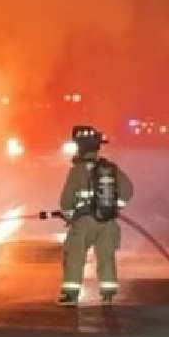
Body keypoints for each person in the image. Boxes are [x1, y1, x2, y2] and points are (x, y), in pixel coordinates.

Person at [57, 125, 134, 306]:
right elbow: (128, 190)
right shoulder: (110, 168)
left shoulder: (77, 170)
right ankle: (107, 295)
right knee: (106, 257)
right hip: (108, 222)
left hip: (84, 222)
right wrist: (114, 208)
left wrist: (69, 216)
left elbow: (66, 200)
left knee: (75, 256)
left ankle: (70, 295)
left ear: (80, 147)